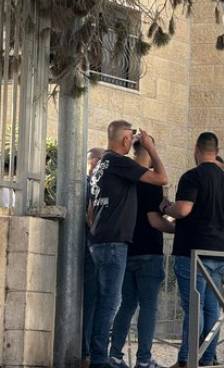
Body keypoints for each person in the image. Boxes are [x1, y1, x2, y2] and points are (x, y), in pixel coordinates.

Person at [87, 120, 168, 368]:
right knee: (113, 303)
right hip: (117, 245)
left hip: (100, 242)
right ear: (125, 140)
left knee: (109, 302)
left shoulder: (101, 165)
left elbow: (90, 212)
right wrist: (151, 147)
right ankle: (101, 360)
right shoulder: (120, 162)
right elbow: (162, 178)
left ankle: (105, 356)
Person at [161, 132, 224, 367]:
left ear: (196, 148)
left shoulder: (192, 176)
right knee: (211, 309)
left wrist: (166, 207)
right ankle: (206, 358)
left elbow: (183, 210)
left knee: (194, 309)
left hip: (192, 252)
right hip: (219, 254)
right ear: (216, 150)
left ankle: (186, 360)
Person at [109, 138, 175, 368]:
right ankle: (144, 359)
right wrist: (178, 229)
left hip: (126, 249)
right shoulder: (150, 180)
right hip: (149, 251)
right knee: (148, 307)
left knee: (126, 305)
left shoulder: (124, 176)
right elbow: (154, 221)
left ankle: (114, 355)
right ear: (148, 150)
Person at [82, 147, 105, 368]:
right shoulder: (88, 184)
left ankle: (89, 349)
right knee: (91, 301)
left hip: (92, 248)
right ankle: (86, 350)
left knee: (96, 301)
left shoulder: (93, 183)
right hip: (91, 249)